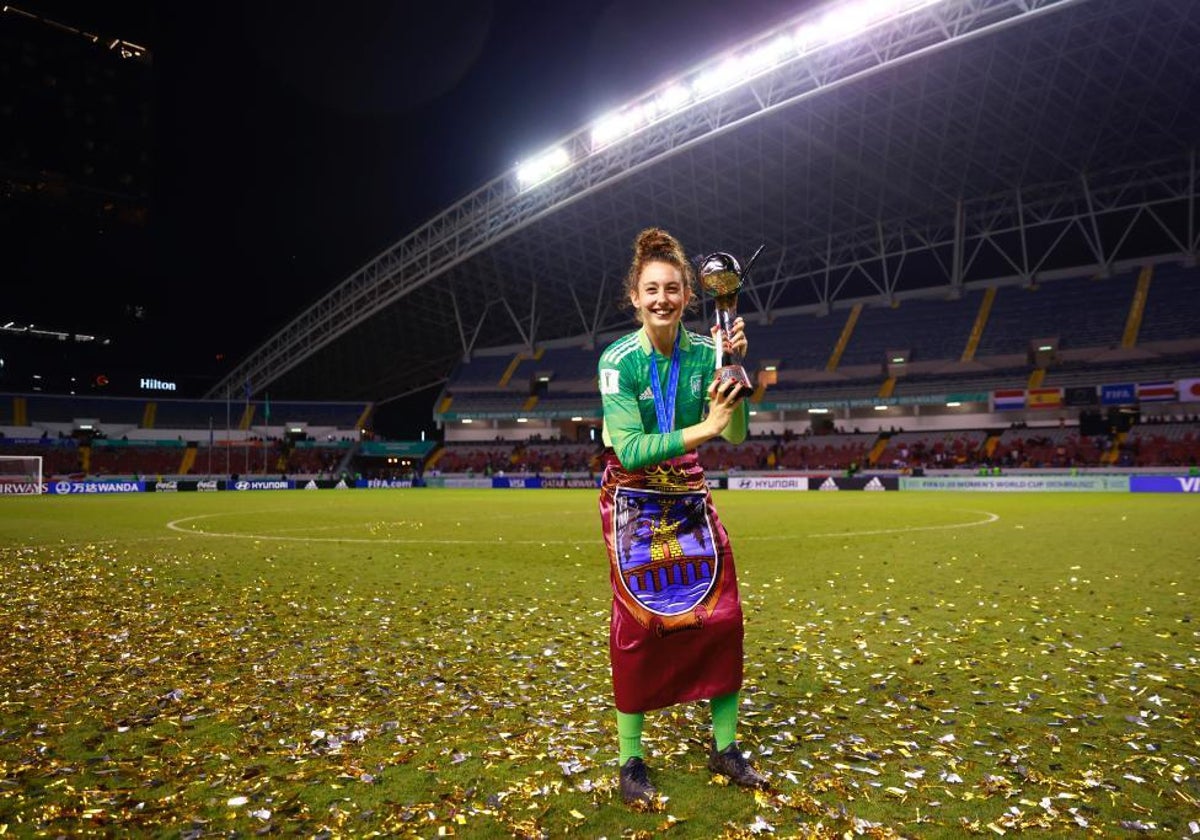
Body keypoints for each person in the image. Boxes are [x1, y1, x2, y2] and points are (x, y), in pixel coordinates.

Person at [596, 227, 766, 807]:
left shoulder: (704, 353)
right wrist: (704, 429)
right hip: (635, 498)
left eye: (672, 288)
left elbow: (737, 433)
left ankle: (725, 747)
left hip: (689, 494)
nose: (662, 298)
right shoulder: (617, 362)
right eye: (651, 289)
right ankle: (631, 759)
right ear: (635, 297)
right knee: (642, 625)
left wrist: (736, 371)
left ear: (689, 295)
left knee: (723, 615)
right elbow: (630, 449)